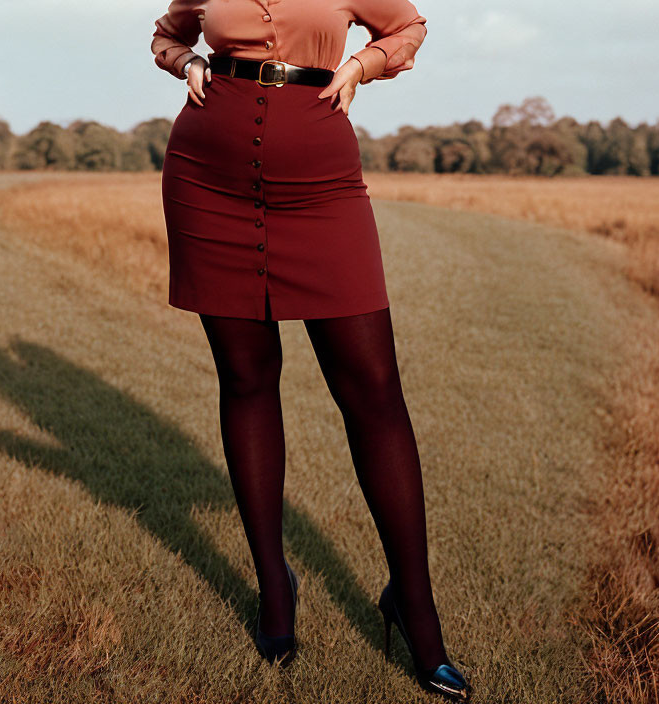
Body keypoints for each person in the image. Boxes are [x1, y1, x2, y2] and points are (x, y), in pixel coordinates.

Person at [150, 1, 471, 700]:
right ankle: (274, 587)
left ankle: (414, 608)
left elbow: (409, 27)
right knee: (245, 380)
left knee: (374, 392)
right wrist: (188, 62)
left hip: (322, 188)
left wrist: (363, 63)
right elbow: (166, 33)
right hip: (207, 179)